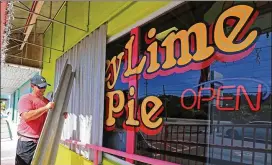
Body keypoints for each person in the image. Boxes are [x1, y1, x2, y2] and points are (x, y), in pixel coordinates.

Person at [15, 75, 65, 165]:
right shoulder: (26, 99)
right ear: (32, 86)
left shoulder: (47, 101)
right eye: (40, 87)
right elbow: (27, 116)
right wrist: (45, 108)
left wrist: (61, 115)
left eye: (45, 86)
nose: (43, 89)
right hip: (27, 142)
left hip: (42, 141)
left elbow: (49, 119)